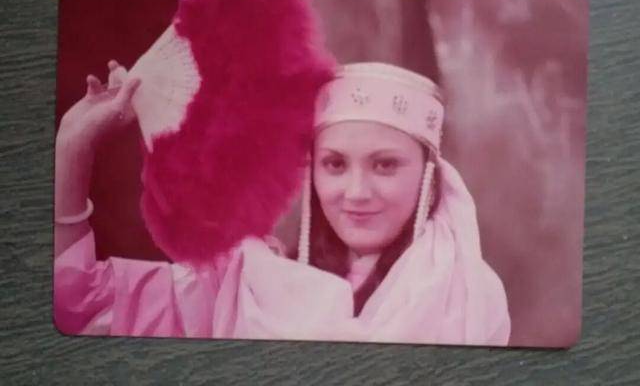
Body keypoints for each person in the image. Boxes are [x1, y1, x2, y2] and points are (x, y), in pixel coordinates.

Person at [54, 57, 510, 345]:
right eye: (334, 164)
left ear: (429, 174)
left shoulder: (467, 296)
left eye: (385, 165)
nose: (356, 192)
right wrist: (73, 147)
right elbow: (78, 304)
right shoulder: (246, 281)